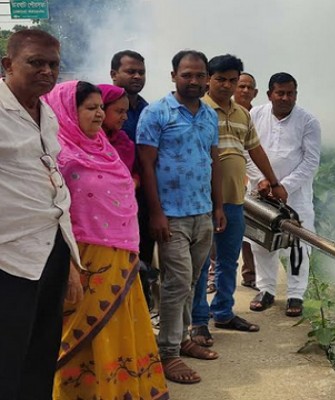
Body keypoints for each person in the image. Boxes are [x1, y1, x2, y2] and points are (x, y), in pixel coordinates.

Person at [44, 80, 169, 399]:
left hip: (121, 255)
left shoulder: (105, 147)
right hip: (81, 258)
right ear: (69, 112)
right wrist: (69, 262)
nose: (100, 114)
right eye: (90, 108)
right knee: (82, 332)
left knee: (117, 328)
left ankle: (120, 390)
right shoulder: (59, 154)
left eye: (102, 107)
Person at [0, 29, 82, 400]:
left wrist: (68, 260)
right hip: (8, 258)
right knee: (7, 360)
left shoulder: (47, 112)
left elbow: (54, 185)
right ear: (8, 65)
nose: (47, 71)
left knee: (40, 354)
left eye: (53, 64)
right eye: (36, 62)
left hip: (49, 250)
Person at [137, 50, 224, 384]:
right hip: (171, 215)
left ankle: (182, 338)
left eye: (200, 75)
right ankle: (168, 354)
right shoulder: (156, 113)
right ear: (173, 75)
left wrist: (217, 207)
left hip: (202, 212)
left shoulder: (208, 115)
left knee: (190, 281)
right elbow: (146, 165)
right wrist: (156, 214)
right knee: (175, 284)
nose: (194, 81)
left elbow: (212, 161)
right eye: (187, 75)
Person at [190, 55, 287, 347]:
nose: (228, 85)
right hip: (203, 202)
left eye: (233, 80)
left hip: (235, 200)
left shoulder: (243, 114)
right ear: (209, 79)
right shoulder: (198, 110)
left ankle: (222, 311)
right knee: (201, 261)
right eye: (221, 79)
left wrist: (274, 181)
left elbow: (255, 150)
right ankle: (197, 320)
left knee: (228, 260)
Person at [248, 72, 321, 317]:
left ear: (296, 94)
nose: (285, 98)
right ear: (270, 94)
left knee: (298, 245)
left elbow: (311, 161)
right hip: (261, 191)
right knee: (262, 242)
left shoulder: (308, 121)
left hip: (295, 196)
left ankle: (295, 295)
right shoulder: (255, 115)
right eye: (280, 93)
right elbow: (246, 152)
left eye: (290, 93)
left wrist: (285, 186)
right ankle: (266, 290)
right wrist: (262, 180)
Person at [110, 50, 157, 310]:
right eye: (130, 71)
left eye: (141, 71)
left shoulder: (149, 111)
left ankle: (140, 315)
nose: (137, 76)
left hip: (143, 196)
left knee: (143, 257)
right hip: (109, 201)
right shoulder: (101, 108)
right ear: (114, 74)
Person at [235, 72, 260, 290]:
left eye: (249, 87)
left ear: (256, 93)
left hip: (255, 178)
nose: (244, 91)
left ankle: (252, 275)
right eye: (240, 86)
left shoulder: (260, 116)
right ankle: (215, 274)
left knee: (252, 227)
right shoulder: (224, 113)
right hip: (230, 177)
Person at [97, 84, 137, 178]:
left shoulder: (123, 141)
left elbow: (135, 173)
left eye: (126, 112)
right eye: (119, 111)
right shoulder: (83, 141)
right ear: (101, 109)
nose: (125, 117)